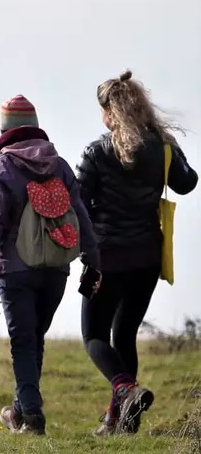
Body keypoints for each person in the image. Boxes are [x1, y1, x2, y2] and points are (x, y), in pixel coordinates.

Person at [0, 95, 99, 436]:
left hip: (16, 270)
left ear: (5, 130)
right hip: (56, 268)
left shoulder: (2, 169)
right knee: (34, 339)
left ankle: (33, 417)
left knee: (24, 341)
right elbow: (81, 217)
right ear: (35, 127)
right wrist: (92, 262)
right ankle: (19, 414)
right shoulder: (61, 166)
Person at [76, 70, 198, 436]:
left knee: (94, 336)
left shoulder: (96, 152)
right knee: (125, 333)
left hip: (107, 259)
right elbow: (188, 183)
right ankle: (121, 422)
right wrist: (171, 148)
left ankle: (125, 390)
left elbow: (79, 205)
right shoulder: (161, 147)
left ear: (111, 112)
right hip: (147, 259)